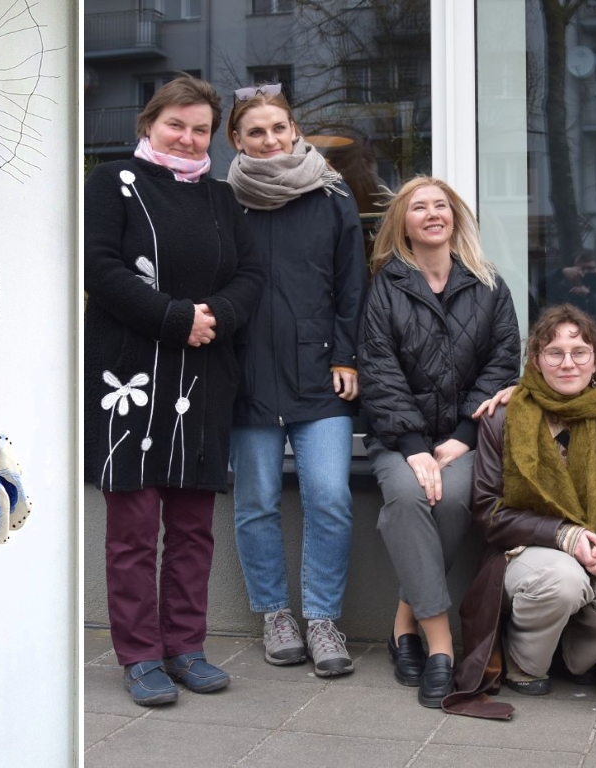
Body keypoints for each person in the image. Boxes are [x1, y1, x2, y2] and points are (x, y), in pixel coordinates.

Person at [83, 75, 264, 707]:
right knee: (133, 528)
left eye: (200, 130)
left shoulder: (222, 198)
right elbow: (100, 268)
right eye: (176, 125)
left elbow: (251, 275)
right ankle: (139, 655)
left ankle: (186, 647)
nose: (188, 139)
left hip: (202, 378)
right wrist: (175, 318)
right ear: (149, 124)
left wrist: (215, 316)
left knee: (192, 529)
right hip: (128, 378)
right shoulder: (113, 182)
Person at [445, 305, 596, 721]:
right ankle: (526, 664)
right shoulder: (503, 417)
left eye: (579, 352)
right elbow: (488, 511)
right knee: (563, 578)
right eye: (554, 352)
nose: (568, 362)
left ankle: (574, 658)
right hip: (522, 551)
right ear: (536, 361)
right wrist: (563, 535)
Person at [357, 176, 520, 708]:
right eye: (419, 207)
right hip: (398, 438)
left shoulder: (488, 283)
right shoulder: (385, 286)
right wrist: (413, 445)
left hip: (463, 439)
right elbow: (378, 369)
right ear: (402, 224)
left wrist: (464, 435)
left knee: (450, 500)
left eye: (441, 206)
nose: (433, 214)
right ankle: (442, 646)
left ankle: (404, 624)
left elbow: (503, 363)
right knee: (408, 499)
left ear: (455, 218)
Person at [223, 82, 366, 677]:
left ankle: (323, 619)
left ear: (294, 130)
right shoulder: (224, 201)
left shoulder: (331, 195)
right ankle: (276, 616)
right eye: (255, 131)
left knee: (330, 497)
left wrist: (347, 356)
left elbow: (352, 284)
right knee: (256, 501)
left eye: (278, 128)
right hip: (247, 375)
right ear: (236, 140)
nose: (269, 139)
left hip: (319, 375)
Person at [545, 249, 596, 320]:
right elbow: (543, 287)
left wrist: (589, 295)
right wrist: (561, 272)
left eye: (590, 268)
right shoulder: (564, 290)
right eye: (581, 268)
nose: (585, 272)